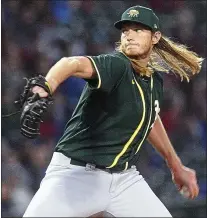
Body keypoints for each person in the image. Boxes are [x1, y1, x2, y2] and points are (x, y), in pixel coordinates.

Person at [23, 5, 203, 217]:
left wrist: (176, 166)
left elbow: (149, 119)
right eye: (126, 30)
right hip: (76, 175)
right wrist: (47, 85)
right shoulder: (116, 65)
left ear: (155, 37)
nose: (130, 35)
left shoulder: (154, 80)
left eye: (138, 30)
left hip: (124, 180)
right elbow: (70, 63)